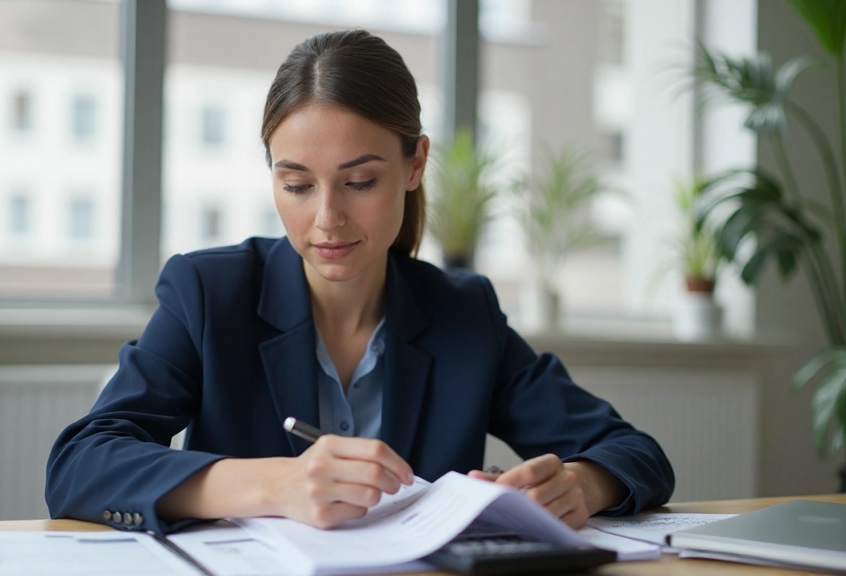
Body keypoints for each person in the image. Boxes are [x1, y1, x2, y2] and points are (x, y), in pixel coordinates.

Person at [46, 29, 675, 536]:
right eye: (296, 185)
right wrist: (274, 485)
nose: (326, 220)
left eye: (360, 180)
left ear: (414, 164)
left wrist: (582, 485)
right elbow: (80, 466)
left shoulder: (462, 312)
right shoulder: (209, 292)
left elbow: (631, 451)